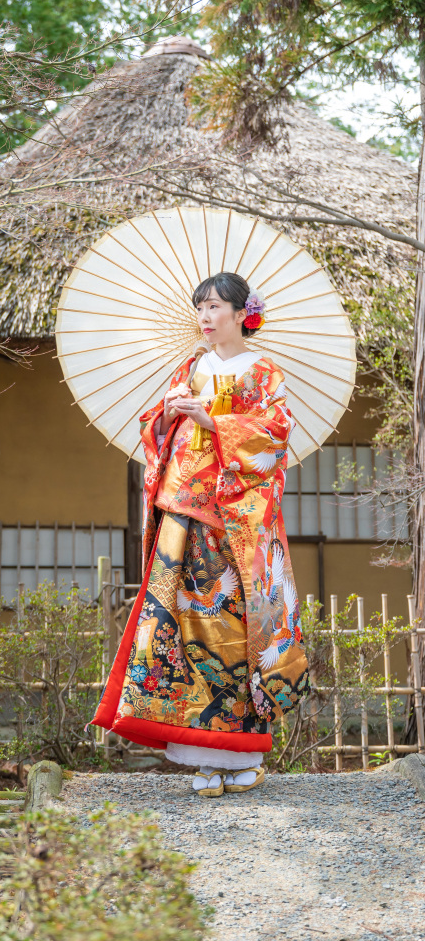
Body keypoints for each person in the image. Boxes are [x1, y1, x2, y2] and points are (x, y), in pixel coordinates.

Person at [91, 272, 309, 797]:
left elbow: (275, 439)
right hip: (184, 512)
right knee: (183, 623)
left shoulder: (264, 373)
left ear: (241, 313)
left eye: (215, 306)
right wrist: (165, 419)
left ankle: (244, 754)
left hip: (235, 523)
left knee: (236, 627)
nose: (206, 317)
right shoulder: (190, 367)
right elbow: (156, 432)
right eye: (201, 308)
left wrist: (214, 421)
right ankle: (202, 756)